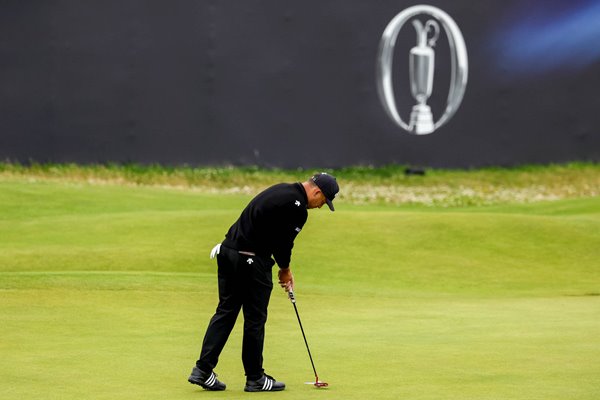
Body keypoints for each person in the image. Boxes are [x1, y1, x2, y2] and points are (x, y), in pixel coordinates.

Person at [188, 172, 339, 392]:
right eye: (323, 202)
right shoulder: (297, 208)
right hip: (251, 260)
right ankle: (255, 378)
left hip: (228, 251)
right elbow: (284, 244)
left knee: (226, 311)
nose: (319, 207)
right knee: (255, 319)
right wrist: (285, 270)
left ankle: (202, 370)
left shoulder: (282, 189)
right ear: (317, 192)